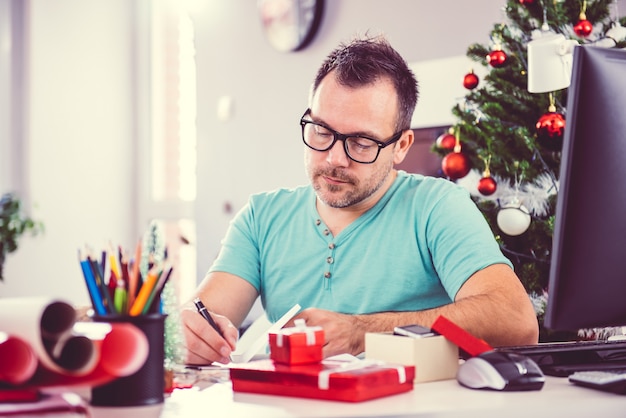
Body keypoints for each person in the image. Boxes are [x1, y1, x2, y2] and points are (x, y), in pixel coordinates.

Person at [181, 35, 539, 365]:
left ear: (401, 146)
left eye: (361, 143)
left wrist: (360, 332)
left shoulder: (437, 207)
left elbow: (516, 322)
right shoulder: (262, 217)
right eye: (321, 131)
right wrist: (190, 337)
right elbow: (203, 321)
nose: (335, 158)